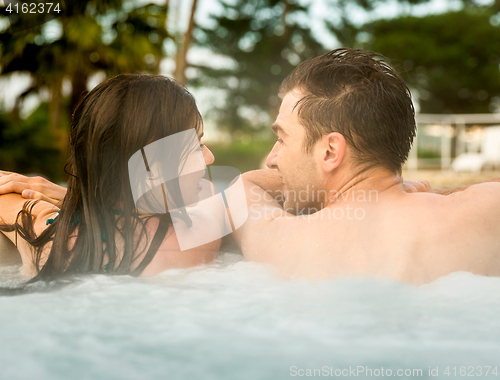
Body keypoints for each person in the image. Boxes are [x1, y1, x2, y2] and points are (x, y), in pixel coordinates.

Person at [231, 48, 500, 285]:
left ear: (330, 151)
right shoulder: (486, 212)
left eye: (281, 139)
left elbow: (243, 187)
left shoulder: (287, 243)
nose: (272, 158)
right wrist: (433, 193)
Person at [0, 74, 220, 281]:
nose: (209, 157)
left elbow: (7, 203)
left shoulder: (50, 245)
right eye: (195, 146)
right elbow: (212, 195)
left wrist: (65, 203)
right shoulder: (190, 243)